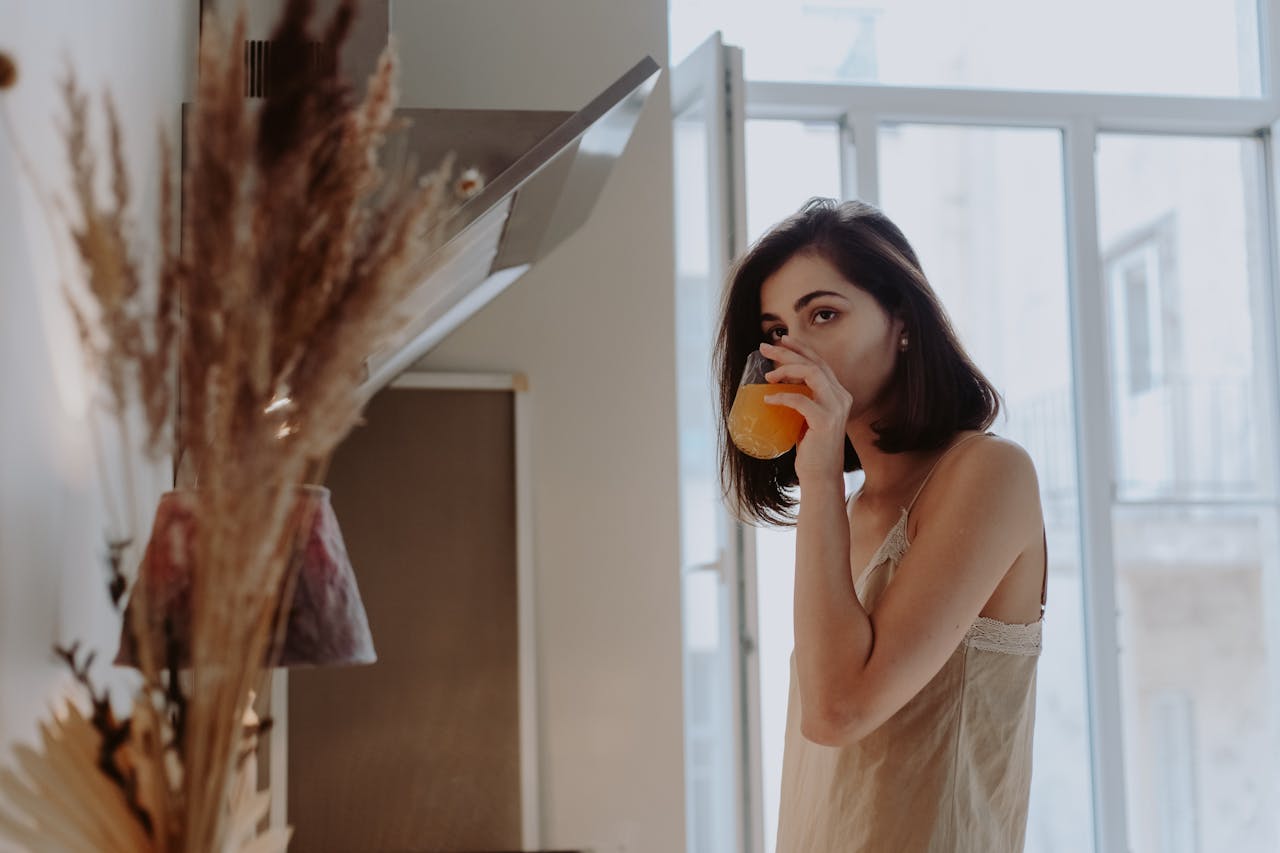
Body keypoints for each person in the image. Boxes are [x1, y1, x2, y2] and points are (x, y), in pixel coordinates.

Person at [715, 198, 1047, 852]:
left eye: (824, 314)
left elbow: (838, 709)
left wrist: (817, 477)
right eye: (776, 331)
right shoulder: (845, 510)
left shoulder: (989, 473)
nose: (794, 349)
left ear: (903, 322)